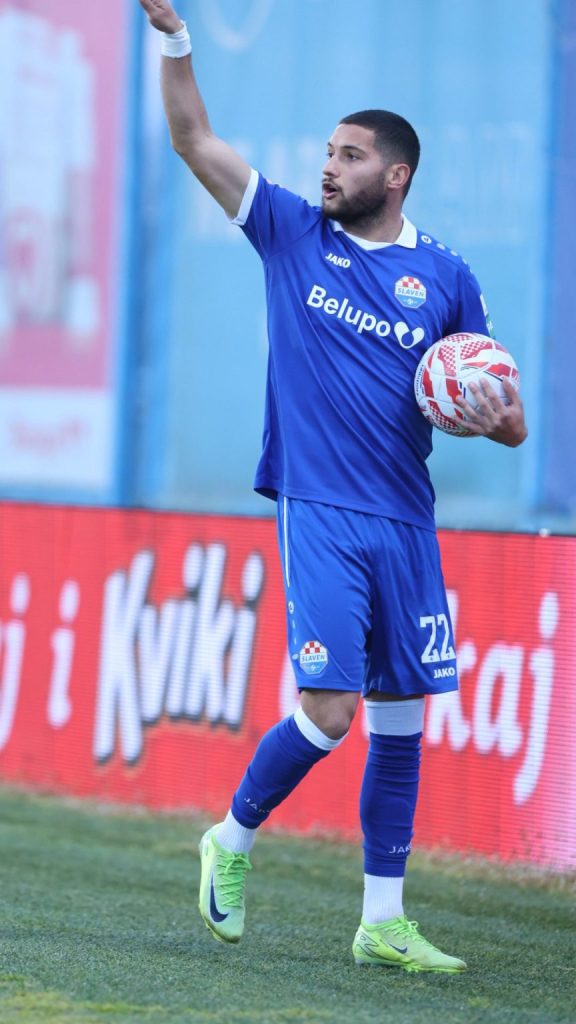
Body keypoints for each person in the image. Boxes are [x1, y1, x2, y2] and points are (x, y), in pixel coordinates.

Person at [139, 0, 528, 974]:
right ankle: (230, 837)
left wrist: (488, 413)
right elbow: (193, 138)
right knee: (330, 707)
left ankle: (382, 920)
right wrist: (175, 38)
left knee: (402, 720)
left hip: (407, 518)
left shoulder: (445, 277)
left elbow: (508, 414)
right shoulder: (291, 232)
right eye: (326, 151)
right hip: (319, 508)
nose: (328, 167)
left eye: (350, 156)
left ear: (395, 175)